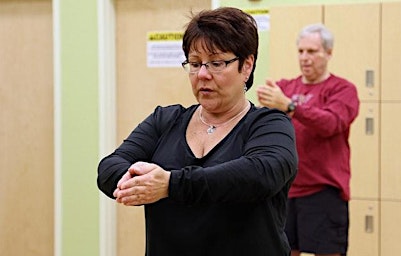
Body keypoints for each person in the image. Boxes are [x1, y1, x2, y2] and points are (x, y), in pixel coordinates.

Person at [97, 7, 298, 256]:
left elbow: (259, 174)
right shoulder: (165, 120)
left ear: (247, 65)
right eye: (194, 64)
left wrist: (170, 185)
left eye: (216, 63)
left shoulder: (269, 124)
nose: (202, 74)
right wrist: (139, 181)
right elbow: (109, 168)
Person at [257, 23, 360, 256]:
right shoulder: (286, 87)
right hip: (285, 190)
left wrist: (290, 107)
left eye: (312, 52)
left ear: (329, 53)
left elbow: (331, 124)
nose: (305, 58)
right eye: (301, 51)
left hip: (323, 192)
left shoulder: (342, 89)